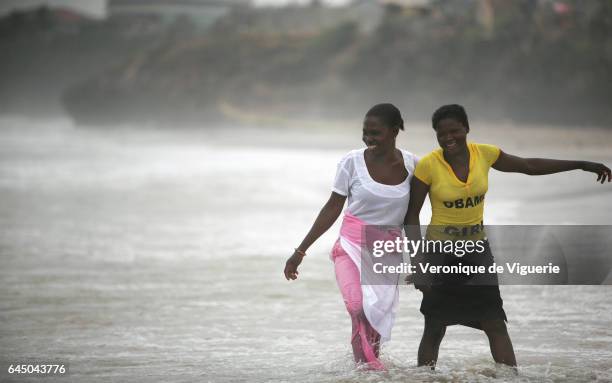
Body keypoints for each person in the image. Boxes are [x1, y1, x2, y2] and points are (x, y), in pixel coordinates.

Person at [404, 104, 611, 369]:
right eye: (441, 134)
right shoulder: (429, 166)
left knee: (494, 322)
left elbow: (528, 165)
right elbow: (411, 217)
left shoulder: (485, 154)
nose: (448, 138)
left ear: (466, 128)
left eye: (454, 131)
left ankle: (512, 377)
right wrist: (419, 265)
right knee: (435, 326)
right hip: (440, 255)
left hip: (477, 253)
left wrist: (581, 164)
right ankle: (424, 377)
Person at [283, 103, 419, 370]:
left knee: (375, 316)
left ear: (394, 131)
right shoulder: (351, 162)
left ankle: (367, 370)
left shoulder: (413, 165)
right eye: (365, 132)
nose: (369, 139)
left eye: (375, 133)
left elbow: (412, 218)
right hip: (350, 246)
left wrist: (418, 261)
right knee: (358, 307)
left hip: (386, 253)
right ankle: (370, 369)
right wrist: (300, 252)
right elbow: (332, 208)